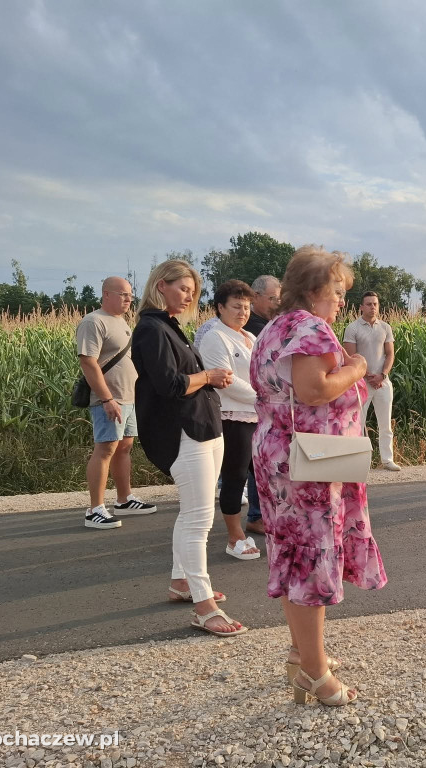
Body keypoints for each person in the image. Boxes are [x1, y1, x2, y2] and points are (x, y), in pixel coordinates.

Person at [251, 245, 387, 706]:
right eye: (336, 291)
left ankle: (301, 652)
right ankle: (313, 672)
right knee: (311, 557)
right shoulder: (309, 327)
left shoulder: (274, 326)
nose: (342, 301)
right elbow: (313, 389)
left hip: (283, 451)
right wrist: (356, 367)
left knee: (294, 554)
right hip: (307, 461)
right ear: (312, 291)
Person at [131, 259, 248, 638]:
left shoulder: (168, 325)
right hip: (184, 432)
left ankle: (181, 582)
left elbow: (183, 381)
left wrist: (209, 381)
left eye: (193, 292)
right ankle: (204, 607)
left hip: (202, 426)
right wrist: (209, 376)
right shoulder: (151, 328)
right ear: (161, 285)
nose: (189, 296)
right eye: (183, 288)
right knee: (200, 519)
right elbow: (170, 384)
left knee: (192, 513)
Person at [75, 276, 156, 529]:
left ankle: (124, 499)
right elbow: (88, 362)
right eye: (122, 294)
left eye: (130, 295)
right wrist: (107, 398)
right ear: (106, 294)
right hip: (109, 398)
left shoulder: (121, 322)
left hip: (128, 397)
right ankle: (95, 509)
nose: (128, 299)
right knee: (105, 449)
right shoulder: (94, 321)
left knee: (124, 447)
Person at [198, 279, 263, 561]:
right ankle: (234, 536)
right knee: (235, 477)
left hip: (259, 416)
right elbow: (225, 380)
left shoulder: (250, 337)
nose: (242, 312)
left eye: (247, 307)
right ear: (220, 307)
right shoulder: (216, 336)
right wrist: (262, 399)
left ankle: (261, 520)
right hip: (232, 417)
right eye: (236, 306)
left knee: (262, 475)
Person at [242, 274, 282, 534]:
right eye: (272, 299)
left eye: (279, 298)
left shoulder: (272, 322)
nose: (276, 303)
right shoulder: (254, 327)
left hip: (270, 402)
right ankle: (256, 515)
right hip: (256, 402)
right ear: (255, 297)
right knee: (256, 465)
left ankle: (266, 512)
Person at [343, 291, 400, 471]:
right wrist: (368, 375)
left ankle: (387, 460)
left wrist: (382, 375)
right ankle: (360, 462)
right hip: (361, 382)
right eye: (368, 304)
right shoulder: (352, 328)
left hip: (383, 381)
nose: (372, 307)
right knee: (359, 423)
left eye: (375, 304)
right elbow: (351, 356)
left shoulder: (385, 327)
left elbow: (390, 354)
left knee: (385, 423)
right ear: (361, 307)